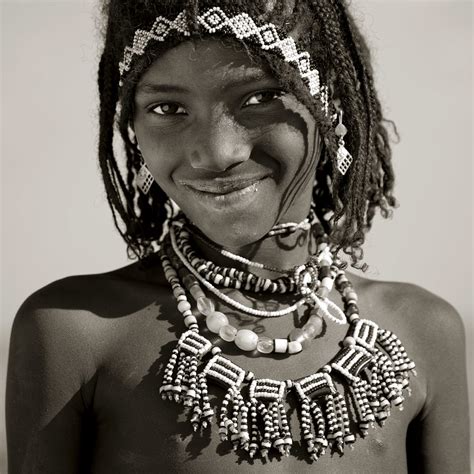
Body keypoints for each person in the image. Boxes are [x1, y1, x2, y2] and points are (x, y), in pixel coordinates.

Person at [6, 1, 470, 472]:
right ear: (133, 127)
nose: (216, 152)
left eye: (259, 98)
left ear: (331, 106)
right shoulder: (75, 331)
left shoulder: (423, 331)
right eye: (168, 108)